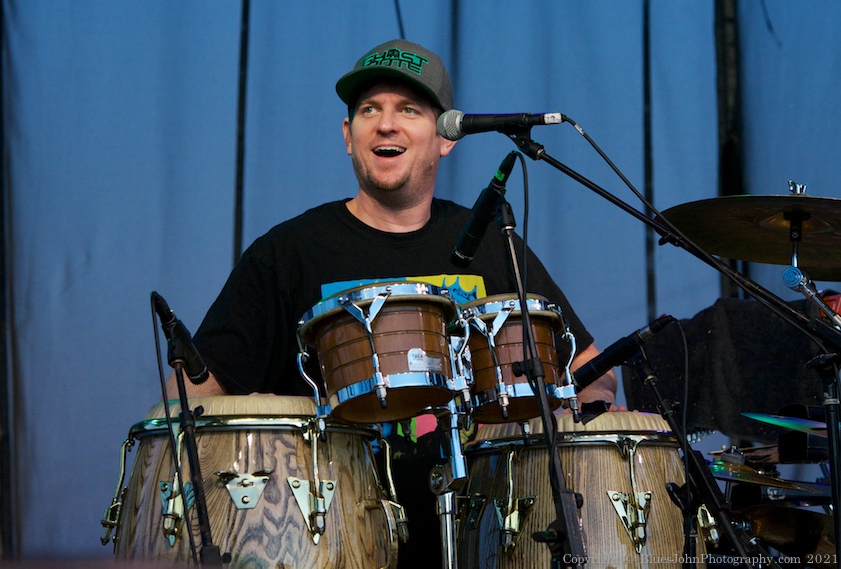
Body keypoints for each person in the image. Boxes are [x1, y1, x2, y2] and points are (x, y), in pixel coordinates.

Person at [166, 38, 616, 566]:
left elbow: (594, 374)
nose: (386, 124)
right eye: (368, 110)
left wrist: (560, 426)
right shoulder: (288, 252)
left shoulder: (493, 243)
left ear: (445, 136)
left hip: (485, 541)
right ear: (347, 136)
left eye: (409, 109)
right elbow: (192, 398)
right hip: (331, 544)